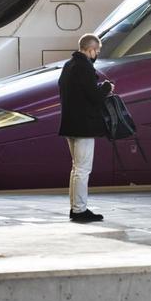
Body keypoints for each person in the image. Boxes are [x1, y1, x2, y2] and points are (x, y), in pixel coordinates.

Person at [58, 34, 113, 223]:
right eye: (97, 51)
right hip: (84, 126)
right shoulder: (85, 67)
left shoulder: (68, 66)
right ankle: (79, 210)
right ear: (90, 49)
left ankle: (76, 207)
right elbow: (94, 97)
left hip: (70, 124)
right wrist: (106, 88)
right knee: (82, 170)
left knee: (76, 169)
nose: (97, 54)